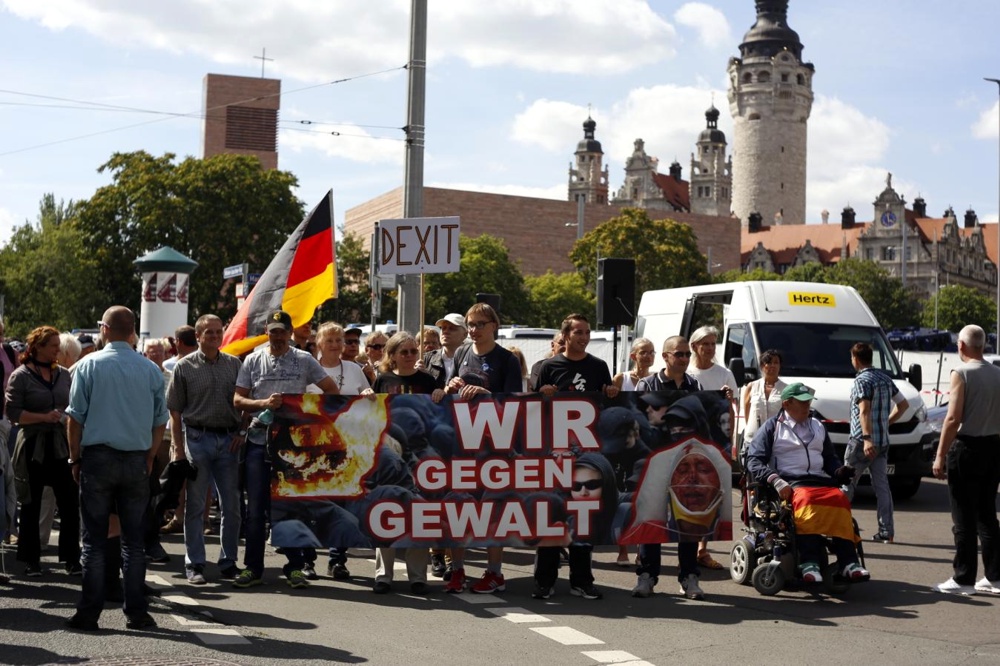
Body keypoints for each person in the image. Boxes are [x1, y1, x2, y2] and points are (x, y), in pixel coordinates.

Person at [65, 306, 169, 631]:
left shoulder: (88, 365)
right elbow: (159, 421)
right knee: (134, 542)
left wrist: (74, 458)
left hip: (98, 457)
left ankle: (89, 612)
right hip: (136, 459)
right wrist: (150, 457)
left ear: (105, 329)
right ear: (132, 330)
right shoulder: (150, 370)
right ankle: (136, 612)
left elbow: (75, 418)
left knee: (94, 540)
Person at [233, 310, 340, 590]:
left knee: (291, 507)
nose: (277, 336)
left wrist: (308, 411)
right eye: (273, 331)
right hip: (258, 442)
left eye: (282, 331)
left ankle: (295, 567)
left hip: (294, 446)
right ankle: (253, 568)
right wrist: (262, 404)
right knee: (255, 510)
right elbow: (237, 399)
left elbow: (332, 390)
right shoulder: (253, 360)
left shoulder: (304, 359)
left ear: (290, 333)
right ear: (266, 332)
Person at [531, 313, 619, 601]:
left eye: (587, 332)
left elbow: (606, 404)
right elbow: (531, 409)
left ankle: (582, 580)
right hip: (554, 455)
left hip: (586, 457)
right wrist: (541, 394)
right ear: (565, 336)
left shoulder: (598, 366)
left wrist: (612, 392)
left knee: (583, 521)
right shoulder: (549, 367)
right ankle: (544, 581)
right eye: (578, 332)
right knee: (552, 519)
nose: (583, 337)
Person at [746, 382, 869, 584]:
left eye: (809, 402)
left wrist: (839, 471)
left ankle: (849, 562)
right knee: (808, 500)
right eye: (802, 402)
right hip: (791, 481)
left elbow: (829, 458)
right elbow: (754, 460)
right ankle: (809, 562)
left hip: (820, 480)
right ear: (786, 404)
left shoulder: (818, 425)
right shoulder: (772, 427)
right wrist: (776, 481)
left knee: (839, 498)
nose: (807, 406)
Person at [444, 303, 522, 594]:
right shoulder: (462, 352)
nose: (474, 330)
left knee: (492, 511)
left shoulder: (506, 359)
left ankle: (495, 572)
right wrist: (451, 385)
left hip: (495, 448)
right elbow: (448, 387)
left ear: (493, 326)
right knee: (458, 506)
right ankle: (457, 570)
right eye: (470, 324)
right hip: (464, 444)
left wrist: (487, 394)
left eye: (479, 324)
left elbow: (516, 403)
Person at [166, 314, 245, 585]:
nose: (213, 336)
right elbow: (175, 412)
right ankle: (195, 563)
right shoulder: (184, 367)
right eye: (208, 332)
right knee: (196, 505)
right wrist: (178, 448)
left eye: (217, 331)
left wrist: (242, 431)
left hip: (228, 440)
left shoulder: (235, 364)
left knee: (231, 506)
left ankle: (228, 562)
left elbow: (244, 402)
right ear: (197, 337)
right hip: (197, 439)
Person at [371, 331, 443, 594]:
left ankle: (417, 576)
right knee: (386, 514)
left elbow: (440, 413)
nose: (411, 356)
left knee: (419, 514)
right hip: (388, 454)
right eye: (405, 352)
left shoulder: (427, 380)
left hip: (420, 457)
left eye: (414, 351)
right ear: (392, 355)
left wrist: (440, 394)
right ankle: (383, 575)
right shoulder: (382, 380)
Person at [632, 335, 703, 599]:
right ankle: (647, 576)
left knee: (688, 521)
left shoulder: (694, 384)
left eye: (687, 354)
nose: (684, 359)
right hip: (655, 462)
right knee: (652, 519)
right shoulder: (647, 384)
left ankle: (689, 576)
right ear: (665, 356)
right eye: (679, 354)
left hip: (685, 463)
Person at [931, 325, 1000, 596]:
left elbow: (952, 418)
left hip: (967, 448)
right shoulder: (998, 374)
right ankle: (994, 576)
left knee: (963, 516)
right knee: (987, 514)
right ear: (982, 345)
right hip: (994, 448)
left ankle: (963, 579)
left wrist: (940, 455)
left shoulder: (961, 373)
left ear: (961, 346)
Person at [7, 326, 79, 577]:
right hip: (32, 445)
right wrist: (43, 416)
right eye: (52, 346)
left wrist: (63, 416)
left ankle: (72, 560)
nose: (57, 351)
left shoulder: (64, 374)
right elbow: (13, 413)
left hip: (60, 444)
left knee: (70, 502)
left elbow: (73, 404)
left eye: (58, 346)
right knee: (31, 503)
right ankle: (31, 560)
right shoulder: (21, 376)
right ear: (37, 346)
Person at [310, 322, 371, 580]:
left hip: (348, 449)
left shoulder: (355, 370)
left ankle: (337, 560)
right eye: (330, 340)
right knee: (314, 506)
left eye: (339, 340)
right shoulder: (308, 369)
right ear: (319, 344)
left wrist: (368, 391)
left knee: (343, 507)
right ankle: (308, 560)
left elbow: (366, 396)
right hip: (314, 449)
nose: (335, 344)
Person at [844, 342, 908, 544]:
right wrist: (885, 422)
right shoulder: (885, 378)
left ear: (855, 359)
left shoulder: (862, 381)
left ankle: (839, 527)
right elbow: (903, 405)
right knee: (882, 486)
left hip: (862, 441)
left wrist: (866, 438)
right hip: (883, 441)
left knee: (846, 483)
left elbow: (863, 410)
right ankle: (886, 531)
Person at [685, 325, 735, 571]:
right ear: (694, 346)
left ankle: (702, 550)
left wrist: (731, 443)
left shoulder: (724, 374)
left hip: (715, 444)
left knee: (711, 494)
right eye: (705, 343)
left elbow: (731, 411)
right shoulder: (686, 372)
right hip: (686, 443)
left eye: (713, 343)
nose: (709, 348)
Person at [740, 349, 786, 450]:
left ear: (780, 366)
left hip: (776, 441)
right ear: (762, 366)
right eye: (769, 362)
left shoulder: (786, 389)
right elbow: (747, 414)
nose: (772, 365)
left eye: (776, 362)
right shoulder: (751, 386)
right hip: (753, 441)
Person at [422, 313, 468, 390]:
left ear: (465, 334)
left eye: (452, 328)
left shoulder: (472, 359)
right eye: (443, 328)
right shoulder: (426, 359)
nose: (445, 332)